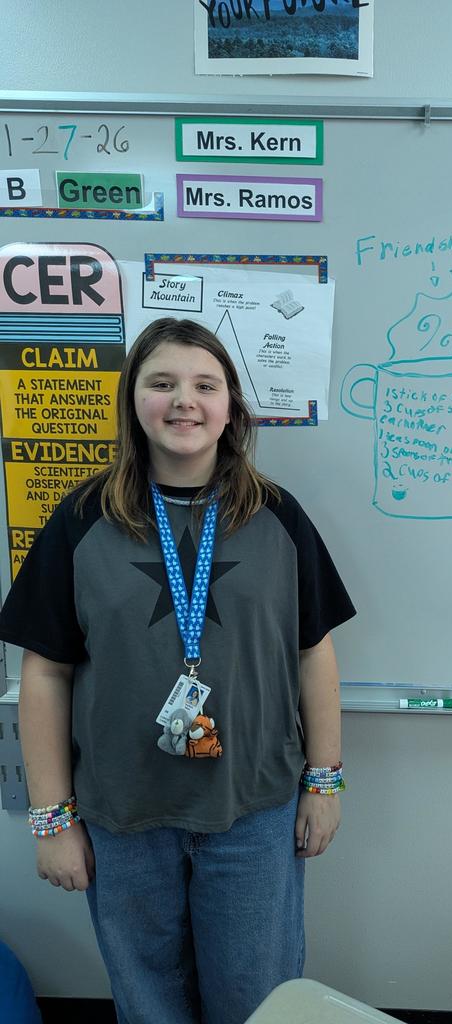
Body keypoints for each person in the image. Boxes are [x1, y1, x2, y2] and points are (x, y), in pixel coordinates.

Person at [0, 318, 355, 1024]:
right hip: (122, 814)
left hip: (254, 810)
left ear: (231, 408)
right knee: (147, 999)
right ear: (134, 400)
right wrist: (51, 819)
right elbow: (44, 674)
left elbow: (313, 652)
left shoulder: (277, 517)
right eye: (161, 383)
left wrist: (324, 781)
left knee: (254, 995)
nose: (183, 401)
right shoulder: (80, 519)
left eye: (205, 384)